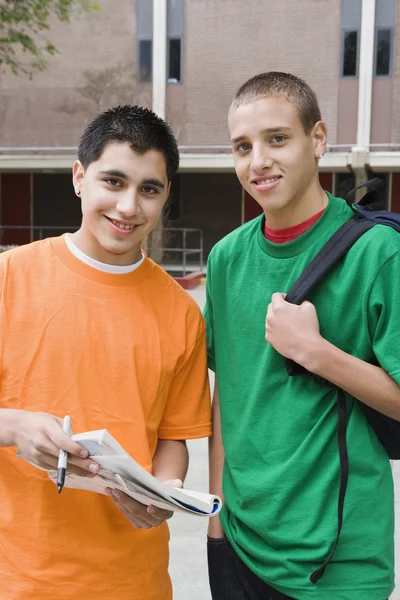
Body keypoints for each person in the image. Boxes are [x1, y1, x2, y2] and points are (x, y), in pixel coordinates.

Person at [0, 105, 211, 600]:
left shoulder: (181, 312)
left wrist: (164, 489)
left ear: (165, 198)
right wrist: (13, 427)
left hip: (134, 581)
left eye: (149, 189)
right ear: (79, 177)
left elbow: (173, 437)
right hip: (18, 577)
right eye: (113, 182)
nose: (128, 206)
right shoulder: (10, 279)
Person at [205, 72, 400, 600]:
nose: (258, 161)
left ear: (317, 139)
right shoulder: (225, 258)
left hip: (338, 562)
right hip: (240, 543)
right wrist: (215, 515)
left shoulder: (379, 252)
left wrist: (317, 353)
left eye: (277, 139)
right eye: (242, 147)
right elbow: (230, 394)